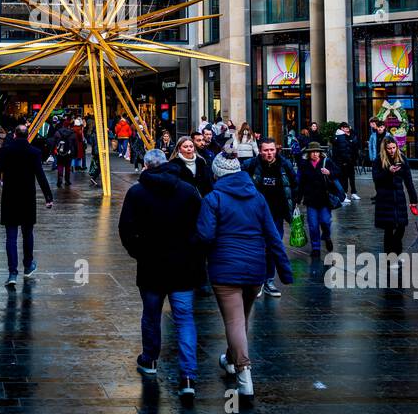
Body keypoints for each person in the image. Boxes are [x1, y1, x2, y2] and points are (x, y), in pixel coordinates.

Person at [196, 150, 292, 399]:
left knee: (235, 322)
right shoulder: (257, 197)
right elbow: (273, 236)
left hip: (225, 268)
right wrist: (285, 270)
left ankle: (244, 374)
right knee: (240, 320)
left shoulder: (213, 198)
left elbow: (205, 236)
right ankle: (230, 359)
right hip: (254, 269)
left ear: (217, 173)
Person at [118, 149, 204, 400]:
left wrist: (138, 252)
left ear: (145, 165)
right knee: (184, 319)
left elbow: (125, 229)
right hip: (183, 266)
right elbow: (202, 227)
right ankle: (188, 375)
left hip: (151, 265)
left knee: (151, 315)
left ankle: (150, 359)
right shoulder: (188, 191)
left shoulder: (137, 192)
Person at [0, 124, 54, 288]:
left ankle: (12, 273)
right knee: (27, 233)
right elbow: (40, 175)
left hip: (10, 197)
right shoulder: (34, 152)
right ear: (27, 135)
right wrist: (48, 197)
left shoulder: (5, 151)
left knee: (11, 237)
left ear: (15, 135)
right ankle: (28, 265)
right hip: (27, 198)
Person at [245, 137, 299, 296]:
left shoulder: (285, 164)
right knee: (258, 247)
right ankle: (258, 280)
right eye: (266, 150)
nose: (269, 153)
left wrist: (293, 202)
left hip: (277, 214)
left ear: (276, 150)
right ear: (260, 151)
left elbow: (295, 184)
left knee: (273, 247)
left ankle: (269, 280)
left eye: (272, 150)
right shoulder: (251, 165)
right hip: (256, 214)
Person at [372, 136, 418, 261]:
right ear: (385, 149)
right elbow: (376, 179)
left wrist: (413, 200)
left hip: (399, 197)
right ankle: (390, 257)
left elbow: (409, 181)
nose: (392, 151)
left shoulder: (402, 159)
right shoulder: (379, 160)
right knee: (388, 229)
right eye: (389, 149)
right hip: (385, 198)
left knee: (401, 227)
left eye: (394, 148)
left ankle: (396, 252)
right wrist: (388, 172)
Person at [296, 141, 341, 258]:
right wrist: (297, 198)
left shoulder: (327, 162)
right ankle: (315, 247)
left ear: (320, 153)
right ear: (308, 154)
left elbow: (338, 172)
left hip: (325, 199)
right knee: (313, 225)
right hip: (310, 200)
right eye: (312, 152)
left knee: (326, 221)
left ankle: (327, 236)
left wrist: (329, 172)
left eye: (317, 152)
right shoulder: (304, 164)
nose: (315, 154)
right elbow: (300, 183)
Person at [331, 122, 360, 204]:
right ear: (341, 128)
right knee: (344, 178)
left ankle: (351, 193)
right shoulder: (340, 137)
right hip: (344, 161)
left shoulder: (348, 135)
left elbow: (353, 146)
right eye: (345, 127)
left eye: (348, 127)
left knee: (351, 177)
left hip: (349, 160)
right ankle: (344, 195)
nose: (347, 128)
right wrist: (345, 160)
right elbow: (343, 150)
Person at [49, 117, 75, 188]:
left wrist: (52, 152)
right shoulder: (72, 133)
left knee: (60, 165)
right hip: (69, 153)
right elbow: (74, 144)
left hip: (59, 152)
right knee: (67, 167)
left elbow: (54, 142)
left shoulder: (58, 132)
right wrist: (74, 152)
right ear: (69, 125)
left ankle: (59, 179)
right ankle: (67, 180)